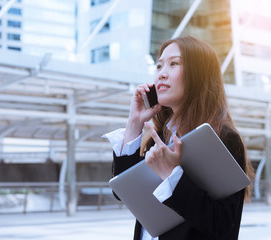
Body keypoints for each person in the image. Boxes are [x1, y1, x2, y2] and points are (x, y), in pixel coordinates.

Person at [103, 36, 254, 240]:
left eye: (174, 64)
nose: (162, 74)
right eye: (159, 66)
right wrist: (134, 123)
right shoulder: (159, 139)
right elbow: (124, 193)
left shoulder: (223, 138)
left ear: (199, 74)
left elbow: (223, 225)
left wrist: (173, 175)